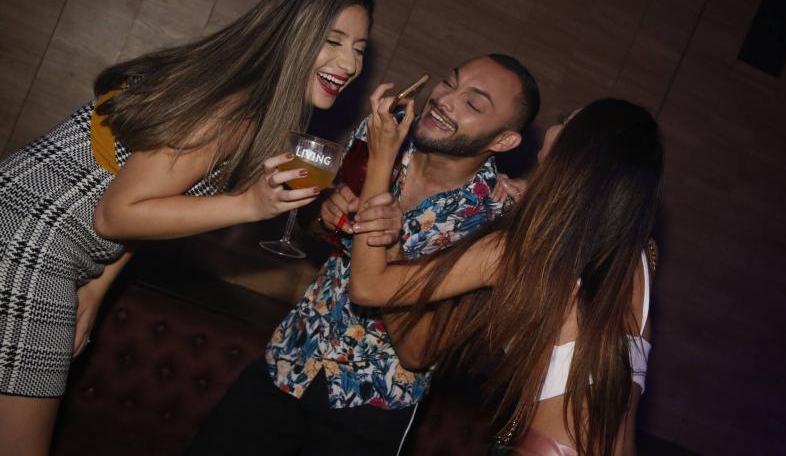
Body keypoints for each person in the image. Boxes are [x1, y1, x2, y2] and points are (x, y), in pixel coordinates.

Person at [0, 0, 373, 456]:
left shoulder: (242, 93)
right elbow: (115, 215)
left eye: (359, 49)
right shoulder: (231, 107)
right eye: (333, 41)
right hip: (32, 244)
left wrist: (95, 286)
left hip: (33, 230)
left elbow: (146, 201)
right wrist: (248, 204)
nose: (348, 63)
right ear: (293, 33)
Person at [187, 54, 540, 456]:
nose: (444, 100)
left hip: (370, 407)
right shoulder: (378, 139)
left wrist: (388, 247)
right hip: (290, 359)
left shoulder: (494, 222)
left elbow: (418, 352)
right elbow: (314, 227)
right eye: (449, 82)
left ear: (503, 140)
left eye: (473, 103)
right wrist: (324, 214)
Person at [350, 97, 664, 455]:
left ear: (577, 154)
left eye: (566, 122)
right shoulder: (640, 258)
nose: (554, 127)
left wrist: (380, 161)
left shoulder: (519, 252)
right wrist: (535, 200)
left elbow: (367, 287)